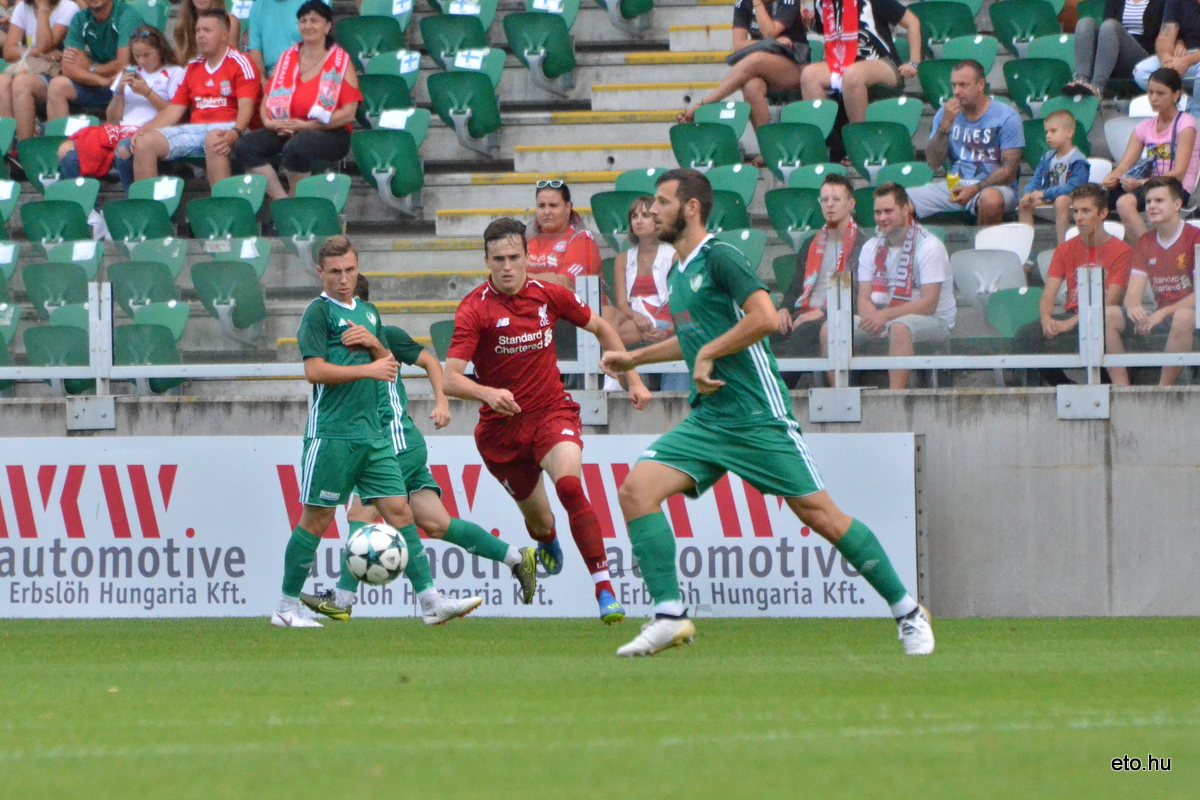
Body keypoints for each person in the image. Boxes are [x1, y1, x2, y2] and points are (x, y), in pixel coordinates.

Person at [599, 169, 933, 658]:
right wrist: (633, 358)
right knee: (635, 491)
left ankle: (907, 612)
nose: (652, 211)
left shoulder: (721, 257)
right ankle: (669, 615)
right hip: (711, 418)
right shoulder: (676, 270)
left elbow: (763, 317)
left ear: (691, 208)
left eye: (662, 202)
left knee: (822, 517)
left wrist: (710, 353)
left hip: (758, 414)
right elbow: (692, 339)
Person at [441, 218, 652, 625]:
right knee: (540, 522)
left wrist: (634, 379)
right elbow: (450, 377)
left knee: (570, 484)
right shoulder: (474, 309)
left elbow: (602, 326)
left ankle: (604, 589)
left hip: (552, 412)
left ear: (526, 258)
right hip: (502, 432)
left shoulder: (547, 294)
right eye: (498, 259)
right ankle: (548, 545)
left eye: (514, 258)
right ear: (486, 260)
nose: (507, 267)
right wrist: (487, 393)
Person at [300, 275, 538, 621]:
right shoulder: (345, 346)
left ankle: (343, 597)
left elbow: (430, 360)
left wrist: (442, 400)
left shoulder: (385, 336)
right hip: (400, 443)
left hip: (393, 443)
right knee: (436, 523)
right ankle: (517, 557)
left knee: (359, 515)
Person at [273, 235, 483, 628]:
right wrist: (369, 368)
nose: (343, 279)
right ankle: (285, 609)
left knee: (401, 512)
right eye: (334, 272)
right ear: (320, 272)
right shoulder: (317, 314)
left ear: (358, 268)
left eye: (350, 270)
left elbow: (388, 363)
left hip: (374, 437)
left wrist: (375, 348)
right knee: (316, 520)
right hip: (332, 436)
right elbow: (313, 371)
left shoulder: (368, 312)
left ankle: (431, 602)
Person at [829, 181, 955, 390]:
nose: (882, 218)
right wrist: (872, 318)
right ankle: (839, 395)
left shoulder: (929, 246)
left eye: (888, 211)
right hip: (884, 316)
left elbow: (929, 304)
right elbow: (863, 297)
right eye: (878, 212)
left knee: (899, 328)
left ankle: (893, 398)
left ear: (905, 210)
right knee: (832, 327)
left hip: (934, 321)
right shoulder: (871, 246)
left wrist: (884, 316)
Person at [234, 0, 358, 202]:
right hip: (288, 127)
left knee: (296, 147)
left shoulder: (340, 61)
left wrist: (307, 126)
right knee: (245, 146)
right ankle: (284, 202)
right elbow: (268, 99)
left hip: (330, 132)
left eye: (314, 21)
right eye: (303, 21)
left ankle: (299, 203)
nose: (308, 26)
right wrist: (270, 123)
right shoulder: (287, 59)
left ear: (327, 26)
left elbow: (349, 113)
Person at [124, 10, 260, 187]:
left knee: (214, 139)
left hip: (233, 128)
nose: (200, 36)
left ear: (225, 35)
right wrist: (144, 130)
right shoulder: (193, 66)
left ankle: (222, 211)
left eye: (207, 30)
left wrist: (235, 132)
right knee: (144, 143)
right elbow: (174, 109)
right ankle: (150, 211)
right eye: (197, 31)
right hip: (197, 130)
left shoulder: (241, 62)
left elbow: (247, 107)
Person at [1013, 183, 1131, 385]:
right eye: (1075, 211)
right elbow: (1049, 294)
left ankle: (1108, 386)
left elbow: (1110, 302)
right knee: (1025, 335)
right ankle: (1064, 387)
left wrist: (1071, 322)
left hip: (1104, 319)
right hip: (1072, 315)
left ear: (1102, 213)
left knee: (1101, 328)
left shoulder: (1122, 250)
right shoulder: (1065, 249)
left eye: (1086, 211)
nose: (1079, 217)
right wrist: (1046, 319)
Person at [57, 25, 183, 190]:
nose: (142, 61)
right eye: (137, 56)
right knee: (66, 150)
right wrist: (120, 92)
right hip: (121, 130)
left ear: (160, 50)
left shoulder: (174, 72)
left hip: (151, 130)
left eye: (147, 55)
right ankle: (89, 209)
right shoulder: (130, 71)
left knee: (124, 149)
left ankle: (130, 200)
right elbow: (113, 118)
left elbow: (175, 114)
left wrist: (147, 92)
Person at [1104, 176, 1199, 385]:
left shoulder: (1196, 237)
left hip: (1192, 317)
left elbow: (1199, 296)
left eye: (1159, 201)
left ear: (1177, 204)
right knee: (1109, 314)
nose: (1152, 207)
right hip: (1161, 317)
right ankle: (1122, 389)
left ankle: (1163, 390)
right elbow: (1132, 296)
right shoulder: (1145, 242)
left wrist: (1162, 313)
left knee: (1183, 316)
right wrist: (1134, 310)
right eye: (1148, 202)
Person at [907, 59, 1024, 226]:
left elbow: (1009, 171)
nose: (956, 91)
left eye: (963, 85)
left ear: (980, 84)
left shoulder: (1006, 116)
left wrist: (975, 189)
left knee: (990, 200)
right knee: (899, 202)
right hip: (954, 185)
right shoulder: (945, 114)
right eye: (954, 85)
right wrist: (945, 126)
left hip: (994, 187)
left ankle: (982, 251)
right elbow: (932, 163)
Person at [599, 194, 690, 392]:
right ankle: (621, 372)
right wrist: (637, 316)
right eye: (634, 216)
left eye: (645, 215)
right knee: (606, 313)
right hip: (634, 315)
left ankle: (617, 377)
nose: (638, 220)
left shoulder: (673, 254)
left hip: (662, 316)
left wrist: (667, 332)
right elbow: (622, 303)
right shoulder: (623, 259)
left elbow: (679, 303)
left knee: (609, 333)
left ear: (658, 221)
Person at [675, 0, 809, 131]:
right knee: (751, 86)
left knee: (756, 59)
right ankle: (767, 147)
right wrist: (769, 43)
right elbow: (738, 45)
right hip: (761, 66)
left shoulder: (788, 1)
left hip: (794, 63)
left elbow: (769, 33)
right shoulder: (743, 3)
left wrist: (757, 3)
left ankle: (706, 102)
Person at [775, 173, 864, 365]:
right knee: (759, 329)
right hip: (804, 311)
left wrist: (824, 310)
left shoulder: (862, 245)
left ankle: (781, 392)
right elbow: (796, 287)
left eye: (836, 199)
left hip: (837, 314)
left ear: (851, 204)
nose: (829, 204)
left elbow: (858, 294)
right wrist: (783, 309)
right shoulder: (810, 244)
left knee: (805, 331)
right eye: (825, 200)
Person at [1103, 67, 1197, 242]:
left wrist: (1140, 183)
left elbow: (1178, 173)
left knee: (1125, 203)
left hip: (1176, 186)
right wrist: (1112, 177)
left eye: (1161, 93)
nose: (1153, 98)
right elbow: (1124, 165)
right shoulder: (1145, 126)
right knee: (1094, 201)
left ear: (1176, 95)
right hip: (1147, 183)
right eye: (1151, 92)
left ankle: (1150, 253)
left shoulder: (1186, 125)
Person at [800, 0, 922, 124]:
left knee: (852, 74)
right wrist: (807, 22)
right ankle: (824, 135)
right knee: (809, 75)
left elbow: (912, 21)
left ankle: (860, 138)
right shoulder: (822, 3)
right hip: (842, 62)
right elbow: (826, 30)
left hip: (883, 62)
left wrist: (913, 62)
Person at [44, 0, 142, 125]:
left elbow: (125, 65)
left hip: (128, 83)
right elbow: (68, 68)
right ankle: (61, 143)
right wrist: (102, 81)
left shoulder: (126, 15)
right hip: (104, 82)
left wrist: (91, 67)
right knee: (57, 85)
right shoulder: (81, 18)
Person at [0, 0, 79, 144]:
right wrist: (37, 53)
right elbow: (8, 52)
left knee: (21, 82)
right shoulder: (23, 8)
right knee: (1, 82)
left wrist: (43, 8)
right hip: (31, 67)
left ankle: (26, 147)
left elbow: (45, 45)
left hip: (54, 75)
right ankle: (8, 147)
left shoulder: (68, 7)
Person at [1017, 109, 1092, 243]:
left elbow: (1075, 188)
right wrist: (1028, 192)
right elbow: (1037, 178)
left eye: (1053, 131)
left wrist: (1045, 193)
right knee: (1024, 204)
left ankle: (1061, 246)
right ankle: (1027, 247)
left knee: (1061, 201)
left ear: (1069, 132)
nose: (1048, 136)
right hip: (1049, 195)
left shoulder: (1078, 160)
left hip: (1071, 197)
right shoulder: (1047, 157)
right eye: (1046, 132)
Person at [1069, 0, 1164, 98]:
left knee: (1110, 26)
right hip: (1112, 50)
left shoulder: (1160, 2)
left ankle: (1097, 87)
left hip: (1141, 55)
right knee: (1085, 23)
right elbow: (1104, 30)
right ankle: (1081, 81)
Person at [525, 179, 601, 293]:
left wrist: (521, 278)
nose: (546, 212)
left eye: (553, 205)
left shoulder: (582, 239)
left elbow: (562, 283)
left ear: (568, 208)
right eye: (541, 206)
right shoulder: (525, 239)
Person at [1132, 0, 1200, 116]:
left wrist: (1188, 61)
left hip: (1193, 60)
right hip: (1183, 57)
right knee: (1141, 71)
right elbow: (1165, 36)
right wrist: (1167, 60)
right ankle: (1187, 104)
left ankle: (1196, 117)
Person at [246, 0, 305, 80]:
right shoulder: (258, 6)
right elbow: (255, 50)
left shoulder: (311, 3)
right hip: (271, 76)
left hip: (303, 73)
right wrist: (262, 81)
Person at [173, 0, 240, 63]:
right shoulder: (183, 23)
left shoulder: (229, 21)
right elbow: (181, 59)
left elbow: (230, 62)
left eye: (207, 30)